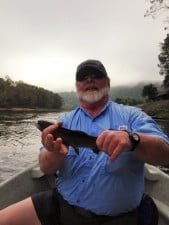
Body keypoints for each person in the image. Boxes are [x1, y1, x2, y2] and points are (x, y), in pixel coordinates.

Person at [0, 59, 169, 225]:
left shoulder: (133, 115)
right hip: (62, 206)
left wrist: (133, 139)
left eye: (96, 75)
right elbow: (45, 168)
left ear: (108, 83)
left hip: (118, 218)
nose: (89, 79)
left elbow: (164, 154)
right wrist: (54, 150)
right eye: (83, 77)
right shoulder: (62, 121)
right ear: (77, 87)